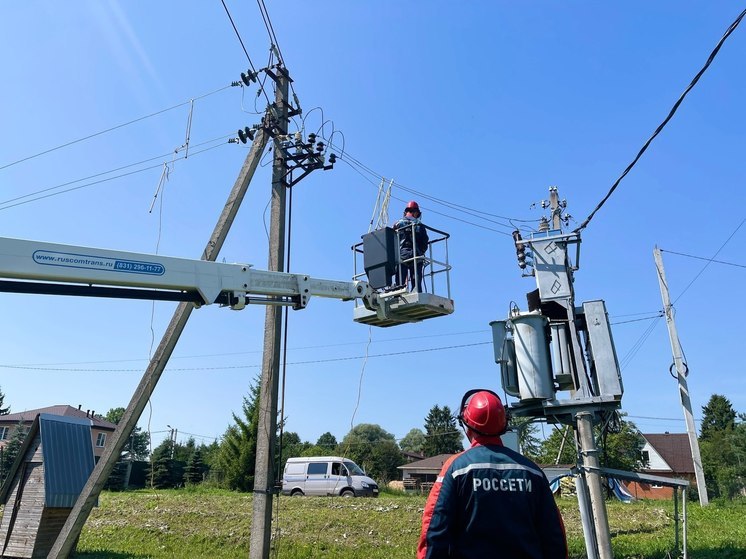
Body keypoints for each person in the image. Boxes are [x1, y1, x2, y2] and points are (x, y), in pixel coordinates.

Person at [418, 389, 568, 559]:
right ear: (503, 425)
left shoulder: (455, 468)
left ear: (467, 425)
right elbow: (554, 536)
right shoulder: (533, 471)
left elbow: (434, 529)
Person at [393, 200, 429, 292]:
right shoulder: (420, 226)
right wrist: (420, 252)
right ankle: (416, 292)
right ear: (416, 213)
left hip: (402, 255)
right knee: (416, 284)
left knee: (399, 284)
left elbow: (392, 239)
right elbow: (424, 242)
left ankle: (398, 294)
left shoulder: (398, 224)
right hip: (416, 255)